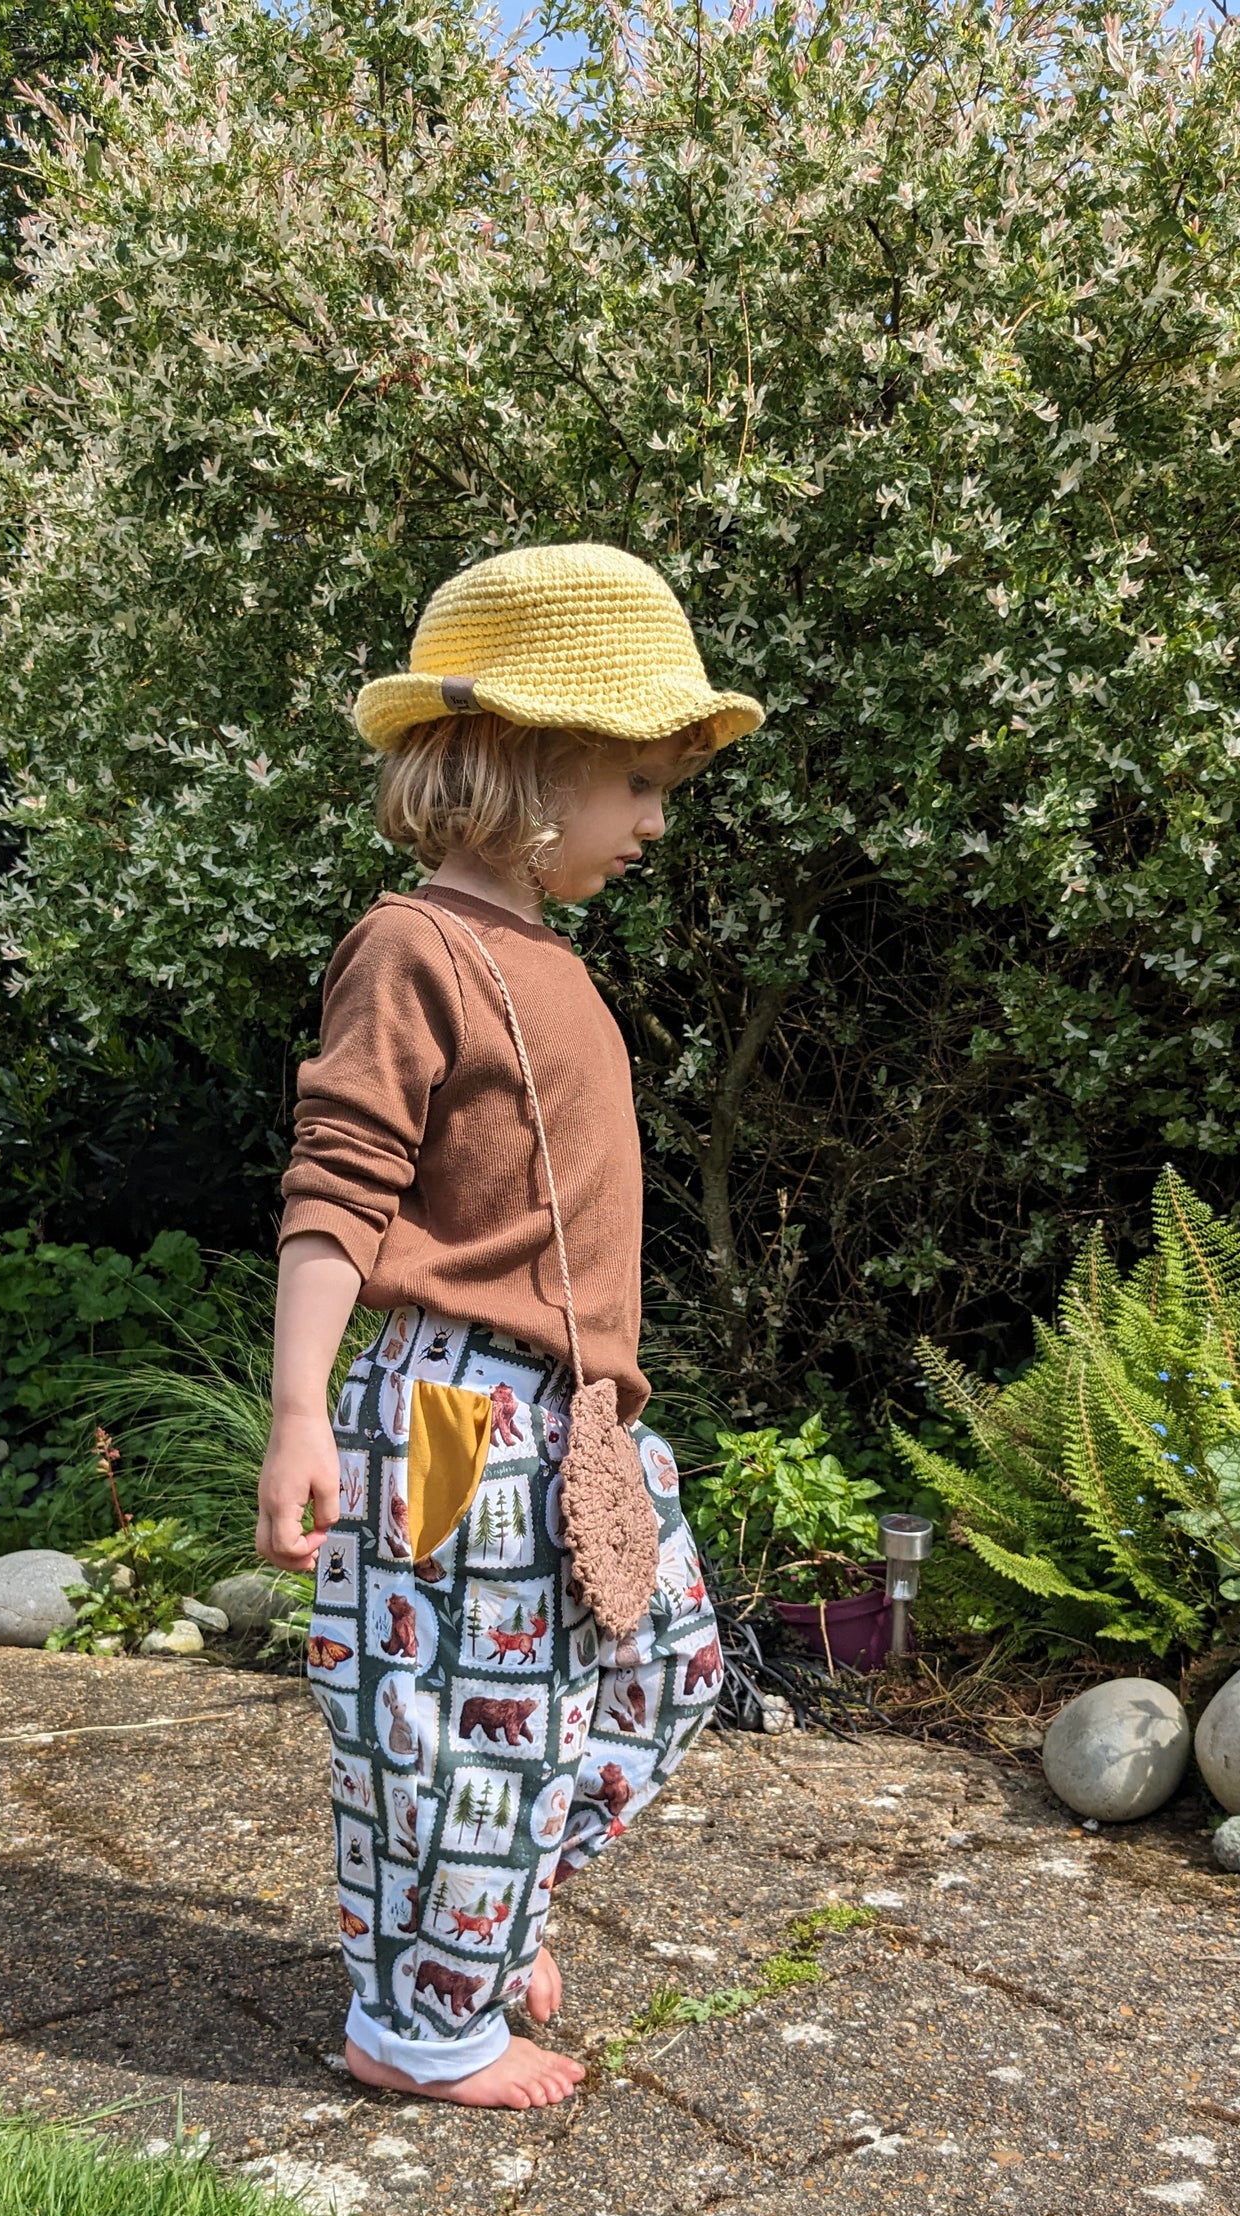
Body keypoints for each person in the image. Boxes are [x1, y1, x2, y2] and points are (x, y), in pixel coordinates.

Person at [256, 541, 763, 2109]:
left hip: (569, 1413)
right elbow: (339, 1185)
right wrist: (295, 1414)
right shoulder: (416, 948)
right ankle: (422, 2025)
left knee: (664, 1664)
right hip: (449, 1417)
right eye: (634, 779)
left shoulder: (539, 954)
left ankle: (483, 1910)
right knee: (448, 1719)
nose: (654, 820)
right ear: (529, 767)